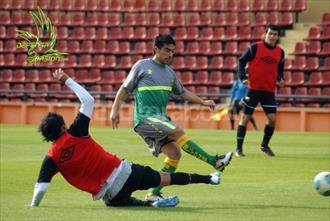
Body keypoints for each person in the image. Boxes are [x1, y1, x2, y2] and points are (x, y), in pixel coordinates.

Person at [30, 69, 223, 208]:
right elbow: (88, 100)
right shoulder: (76, 132)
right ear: (63, 126)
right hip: (124, 173)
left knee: (129, 203)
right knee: (165, 178)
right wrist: (66, 80)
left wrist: (33, 206)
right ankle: (209, 179)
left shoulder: (51, 158)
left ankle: (150, 205)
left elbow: (40, 188)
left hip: (110, 197)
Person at [110, 34, 233, 201]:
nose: (170, 54)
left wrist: (202, 102)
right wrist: (115, 109)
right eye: (167, 50)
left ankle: (153, 193)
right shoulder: (142, 66)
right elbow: (125, 89)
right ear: (156, 49)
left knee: (174, 153)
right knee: (177, 131)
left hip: (160, 120)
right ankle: (215, 161)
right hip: (145, 119)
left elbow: (182, 93)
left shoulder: (170, 73)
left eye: (172, 51)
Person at [235, 24, 285, 157]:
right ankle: (239, 149)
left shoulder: (280, 52)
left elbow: (280, 70)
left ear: (277, 36)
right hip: (253, 90)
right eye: (270, 33)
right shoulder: (255, 47)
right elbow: (241, 61)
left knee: (272, 119)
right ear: (265, 34)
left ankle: (264, 145)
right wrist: (242, 77)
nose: (272, 36)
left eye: (275, 34)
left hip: (269, 91)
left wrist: (281, 80)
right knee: (245, 118)